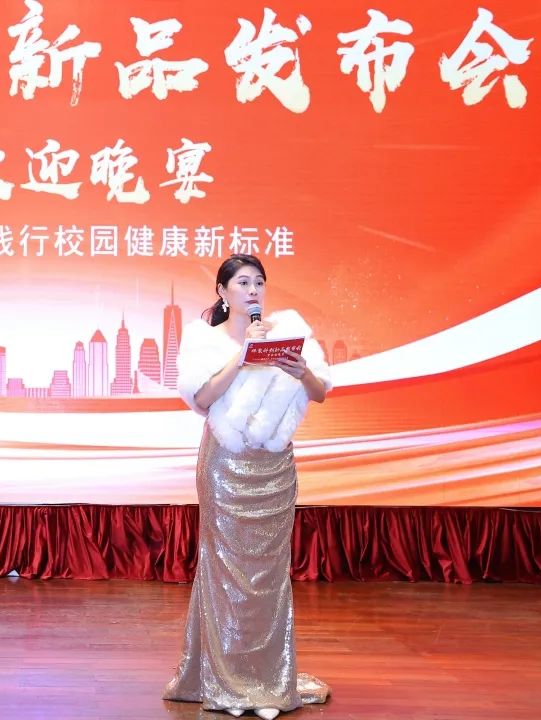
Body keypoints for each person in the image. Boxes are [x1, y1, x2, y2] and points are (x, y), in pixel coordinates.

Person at [162, 254, 332, 718]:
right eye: (242, 282)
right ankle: (227, 682)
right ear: (223, 291)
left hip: (274, 468)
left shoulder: (287, 331)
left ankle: (266, 679)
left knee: (268, 576)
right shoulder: (203, 339)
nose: (253, 290)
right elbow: (201, 399)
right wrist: (242, 356)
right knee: (224, 571)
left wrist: (302, 371)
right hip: (225, 464)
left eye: (259, 282)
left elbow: (319, 392)